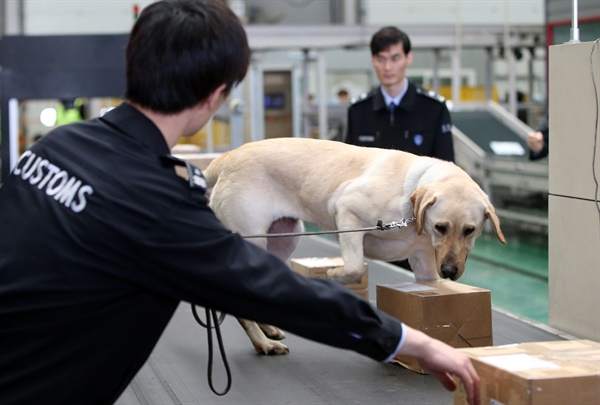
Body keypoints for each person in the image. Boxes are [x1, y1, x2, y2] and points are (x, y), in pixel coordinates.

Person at [0, 1, 480, 404]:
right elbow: (274, 290)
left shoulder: (50, 148)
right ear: (216, 96)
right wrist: (405, 340)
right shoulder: (159, 205)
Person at [344, 26, 455, 162]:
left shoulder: (434, 108)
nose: (388, 67)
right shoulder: (359, 110)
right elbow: (349, 166)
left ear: (408, 58)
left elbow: (446, 169)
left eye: (395, 58)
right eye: (381, 59)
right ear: (373, 60)